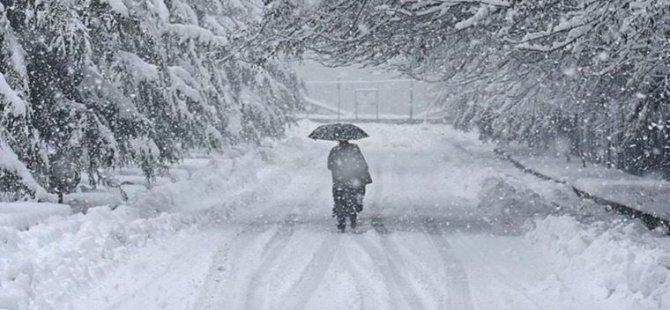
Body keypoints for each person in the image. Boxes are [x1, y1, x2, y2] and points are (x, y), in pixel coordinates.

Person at [327, 139, 372, 232]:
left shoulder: (335, 150)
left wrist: (338, 168)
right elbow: (361, 163)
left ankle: (341, 221)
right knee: (353, 198)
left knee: (339, 199)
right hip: (353, 179)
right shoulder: (354, 149)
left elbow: (329, 165)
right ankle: (353, 218)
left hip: (339, 181)